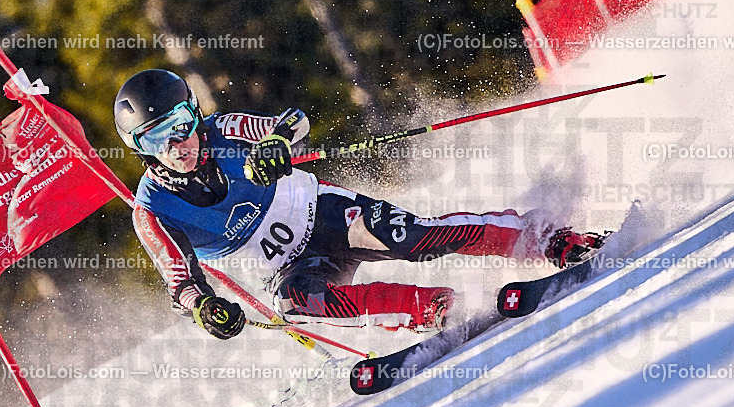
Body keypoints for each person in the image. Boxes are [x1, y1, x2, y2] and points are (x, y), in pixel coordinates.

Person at [118, 69, 603, 340]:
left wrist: (277, 143)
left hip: (326, 216)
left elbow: (292, 121)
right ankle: (436, 309)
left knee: (413, 238)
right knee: (296, 306)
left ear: (194, 114)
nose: (176, 145)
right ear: (139, 148)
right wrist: (205, 308)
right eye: (155, 139)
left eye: (180, 124)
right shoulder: (153, 210)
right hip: (288, 270)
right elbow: (182, 284)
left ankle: (547, 239)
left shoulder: (224, 131)